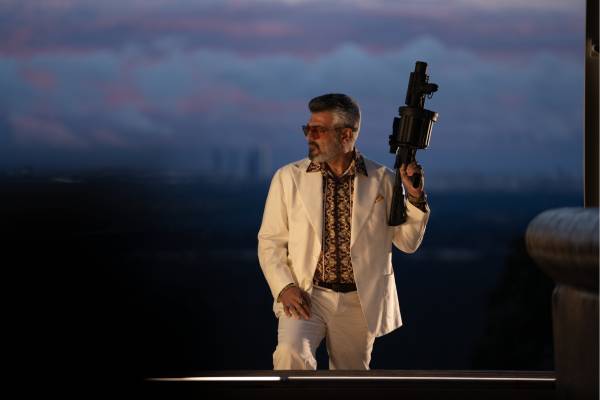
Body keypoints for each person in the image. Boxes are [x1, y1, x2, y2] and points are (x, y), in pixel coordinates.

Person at [257, 93, 430, 370]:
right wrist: (284, 287)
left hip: (359, 301)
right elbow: (270, 242)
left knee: (351, 381)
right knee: (290, 354)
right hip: (305, 295)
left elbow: (407, 244)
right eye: (308, 129)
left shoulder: (383, 180)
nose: (309, 136)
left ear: (346, 135)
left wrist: (415, 198)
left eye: (318, 130)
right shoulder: (288, 178)